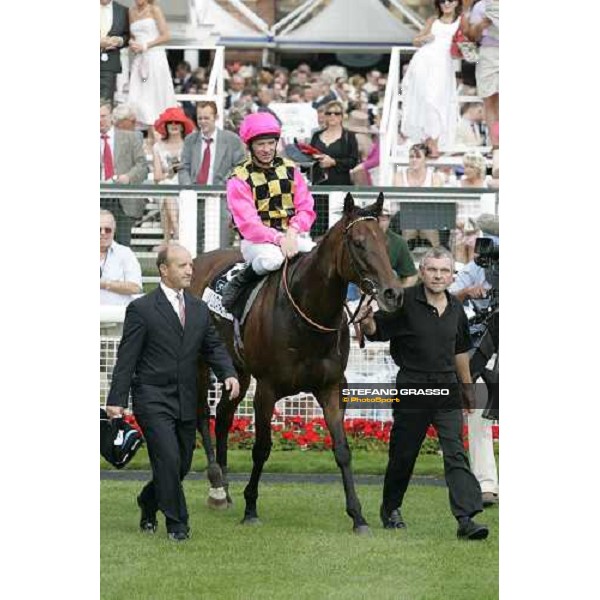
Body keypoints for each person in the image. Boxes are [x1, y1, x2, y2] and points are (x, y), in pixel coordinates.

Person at [105, 244, 240, 542]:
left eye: (190, 265)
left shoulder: (198, 309)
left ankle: (147, 500)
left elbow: (213, 347)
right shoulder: (141, 309)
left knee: (181, 465)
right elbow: (127, 358)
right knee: (166, 459)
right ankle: (178, 524)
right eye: (182, 265)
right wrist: (116, 400)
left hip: (187, 399)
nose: (189, 270)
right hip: (151, 397)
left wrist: (228, 373)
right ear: (163, 270)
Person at [358, 246, 488, 540]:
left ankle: (466, 518)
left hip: (447, 389)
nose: (438, 276)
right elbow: (375, 329)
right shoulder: (405, 303)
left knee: (455, 452)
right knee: (404, 454)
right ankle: (390, 508)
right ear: (422, 271)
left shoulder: (456, 309)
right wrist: (366, 319)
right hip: (412, 386)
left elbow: (459, 352)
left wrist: (467, 388)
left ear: (453, 275)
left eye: (444, 271)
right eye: (432, 269)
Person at [220, 112, 317, 313]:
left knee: (317, 255)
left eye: (270, 143)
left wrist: (292, 232)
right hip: (257, 242)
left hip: (291, 236)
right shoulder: (238, 178)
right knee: (274, 260)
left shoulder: (291, 170)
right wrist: (280, 239)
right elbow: (249, 224)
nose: (266, 149)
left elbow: (306, 208)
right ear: (250, 146)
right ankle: (239, 281)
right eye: (260, 144)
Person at [449, 215, 499, 507]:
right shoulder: (474, 268)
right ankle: (486, 483)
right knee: (478, 412)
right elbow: (446, 294)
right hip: (484, 343)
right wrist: (468, 292)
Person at [400, 0, 463, 158]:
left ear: (457, 3)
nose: (446, 4)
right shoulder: (433, 20)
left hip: (444, 64)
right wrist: (426, 37)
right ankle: (428, 141)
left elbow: (466, 43)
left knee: (437, 100)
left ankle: (434, 141)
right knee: (424, 99)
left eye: (451, 0)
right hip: (424, 61)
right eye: (442, 1)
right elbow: (416, 41)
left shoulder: (462, 21)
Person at [100, 99, 149, 246]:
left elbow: (142, 166)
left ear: (111, 117)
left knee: (122, 246)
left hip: (122, 197)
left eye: (103, 116)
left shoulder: (131, 137)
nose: (100, 120)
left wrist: (128, 177)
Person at [127, 0, 177, 131]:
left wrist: (146, 45)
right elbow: (133, 35)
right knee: (138, 94)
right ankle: (144, 129)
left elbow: (166, 35)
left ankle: (156, 130)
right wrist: (132, 43)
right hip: (139, 59)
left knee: (154, 94)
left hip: (154, 57)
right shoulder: (131, 11)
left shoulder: (154, 9)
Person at [152, 106, 195, 246]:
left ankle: (167, 240)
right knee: (167, 188)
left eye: (177, 123)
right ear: (166, 125)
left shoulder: (189, 145)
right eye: (170, 123)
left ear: (182, 126)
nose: (174, 126)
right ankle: (177, 231)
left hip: (184, 182)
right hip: (165, 182)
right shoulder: (157, 146)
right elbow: (157, 177)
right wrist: (170, 171)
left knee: (171, 193)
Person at [178, 101, 246, 186]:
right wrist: (189, 190)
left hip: (222, 193)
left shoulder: (232, 140)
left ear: (216, 117)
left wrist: (221, 187)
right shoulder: (190, 140)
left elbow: (240, 167)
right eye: (200, 118)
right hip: (194, 194)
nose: (202, 122)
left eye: (206, 118)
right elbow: (183, 168)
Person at [394, 143, 445, 250]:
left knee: (429, 227)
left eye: (418, 157)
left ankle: (437, 255)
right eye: (411, 156)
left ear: (425, 159)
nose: (414, 160)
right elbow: (400, 199)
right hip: (406, 215)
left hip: (428, 216)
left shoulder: (435, 177)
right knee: (408, 227)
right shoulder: (399, 176)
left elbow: (435, 201)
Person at [462, 0, 499, 150]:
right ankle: (496, 144)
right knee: (489, 99)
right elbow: (472, 36)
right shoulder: (481, 6)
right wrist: (482, 24)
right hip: (488, 52)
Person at [100, 209, 142, 306]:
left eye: (107, 230)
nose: (103, 233)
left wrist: (105, 284)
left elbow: (135, 287)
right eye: (98, 229)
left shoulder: (125, 253)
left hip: (118, 318)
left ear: (114, 231)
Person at [100, 0, 129, 103]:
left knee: (105, 103)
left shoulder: (122, 10)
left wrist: (119, 41)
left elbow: (127, 35)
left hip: (110, 63)